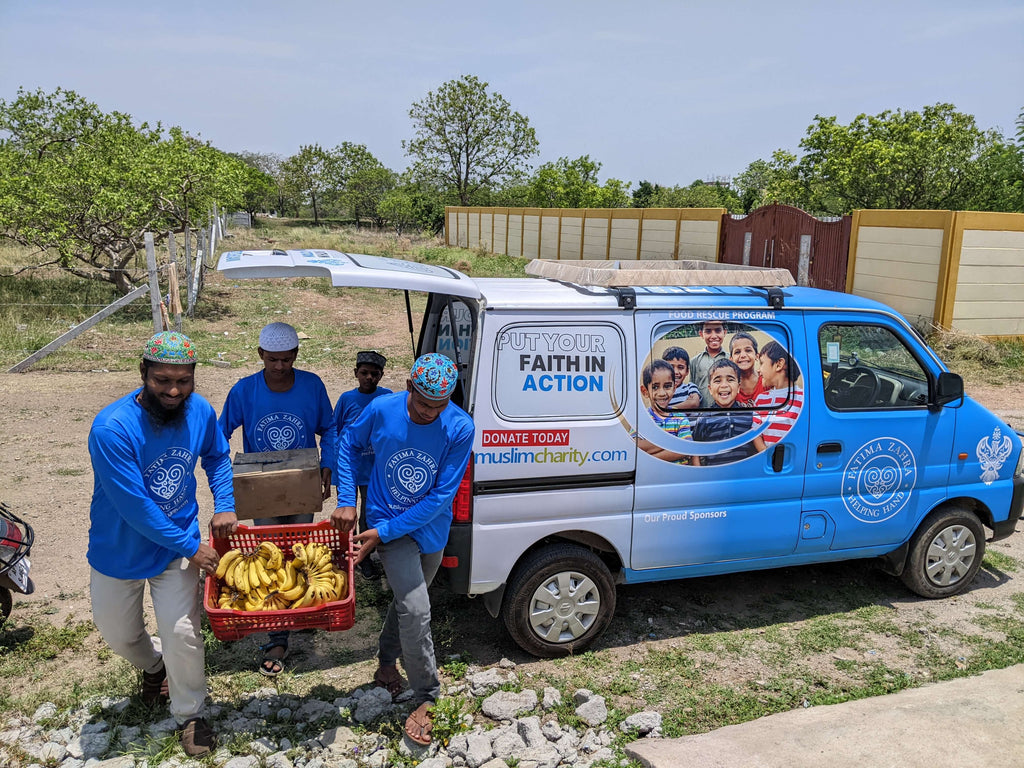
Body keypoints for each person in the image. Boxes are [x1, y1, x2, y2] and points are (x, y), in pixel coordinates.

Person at [87, 332, 237, 758]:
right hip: (120, 549)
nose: (173, 391)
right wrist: (193, 547)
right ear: (143, 375)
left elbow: (218, 455)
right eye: (162, 380)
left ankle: (190, 713)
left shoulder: (200, 411)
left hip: (175, 549)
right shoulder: (112, 429)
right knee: (119, 634)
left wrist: (224, 504)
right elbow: (136, 508)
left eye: (183, 381)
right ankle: (155, 668)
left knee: (183, 633)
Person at [331, 353, 474, 747]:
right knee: (416, 607)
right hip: (386, 526)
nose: (430, 412)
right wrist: (348, 499)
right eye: (423, 402)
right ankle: (428, 695)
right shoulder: (382, 409)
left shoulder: (460, 428)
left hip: (430, 530)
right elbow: (347, 445)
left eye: (438, 405)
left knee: (408, 602)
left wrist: (388, 529)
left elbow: (441, 497)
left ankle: (385, 662)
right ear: (409, 386)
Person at [218, 321, 337, 676]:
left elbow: (329, 428)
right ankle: (277, 635)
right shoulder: (244, 391)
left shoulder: (312, 386)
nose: (280, 367)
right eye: (273, 360)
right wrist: (230, 479)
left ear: (296, 356)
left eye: (286, 360)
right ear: (260, 356)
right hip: (262, 490)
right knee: (268, 557)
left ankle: (303, 609)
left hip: (301, 483)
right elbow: (217, 435)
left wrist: (327, 463)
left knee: (300, 549)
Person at [333, 350, 392, 580]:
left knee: (369, 514)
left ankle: (364, 557)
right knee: (348, 514)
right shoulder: (347, 399)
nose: (369, 378)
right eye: (364, 373)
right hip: (348, 468)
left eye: (374, 374)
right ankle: (346, 553)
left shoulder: (386, 397)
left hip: (373, 470)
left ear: (381, 375)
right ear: (355, 373)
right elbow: (335, 430)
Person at [690, 358, 756, 466]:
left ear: (739, 387)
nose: (724, 385)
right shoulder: (705, 418)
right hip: (715, 477)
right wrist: (700, 474)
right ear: (710, 389)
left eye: (730, 379)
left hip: (744, 476)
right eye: (717, 380)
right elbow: (695, 449)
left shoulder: (749, 416)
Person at [752, 340, 805, 451]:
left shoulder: (803, 399)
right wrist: (766, 454)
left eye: (762, 363)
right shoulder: (761, 399)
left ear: (779, 364)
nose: (759, 370)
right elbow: (755, 432)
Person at [636, 359, 691, 463]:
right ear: (645, 391)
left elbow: (685, 449)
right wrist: (674, 443)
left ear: (674, 388)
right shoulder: (641, 419)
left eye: (667, 386)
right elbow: (636, 448)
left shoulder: (680, 418)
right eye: (655, 387)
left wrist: (649, 458)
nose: (661, 393)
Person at [690, 320, 728, 407]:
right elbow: (692, 390)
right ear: (701, 334)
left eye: (718, 330)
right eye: (708, 331)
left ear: (724, 332)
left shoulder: (730, 359)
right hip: (702, 414)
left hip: (725, 413)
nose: (714, 336)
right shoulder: (694, 361)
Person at [729, 332, 766, 407]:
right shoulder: (729, 386)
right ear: (731, 359)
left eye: (748, 350)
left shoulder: (767, 381)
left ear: (757, 356)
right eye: (737, 352)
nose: (743, 355)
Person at [661, 346, 701, 411]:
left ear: (687, 371)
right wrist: (685, 404)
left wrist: (667, 409)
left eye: (680, 367)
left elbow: (694, 403)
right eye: (671, 367)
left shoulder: (690, 387)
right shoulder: (661, 390)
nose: (676, 372)